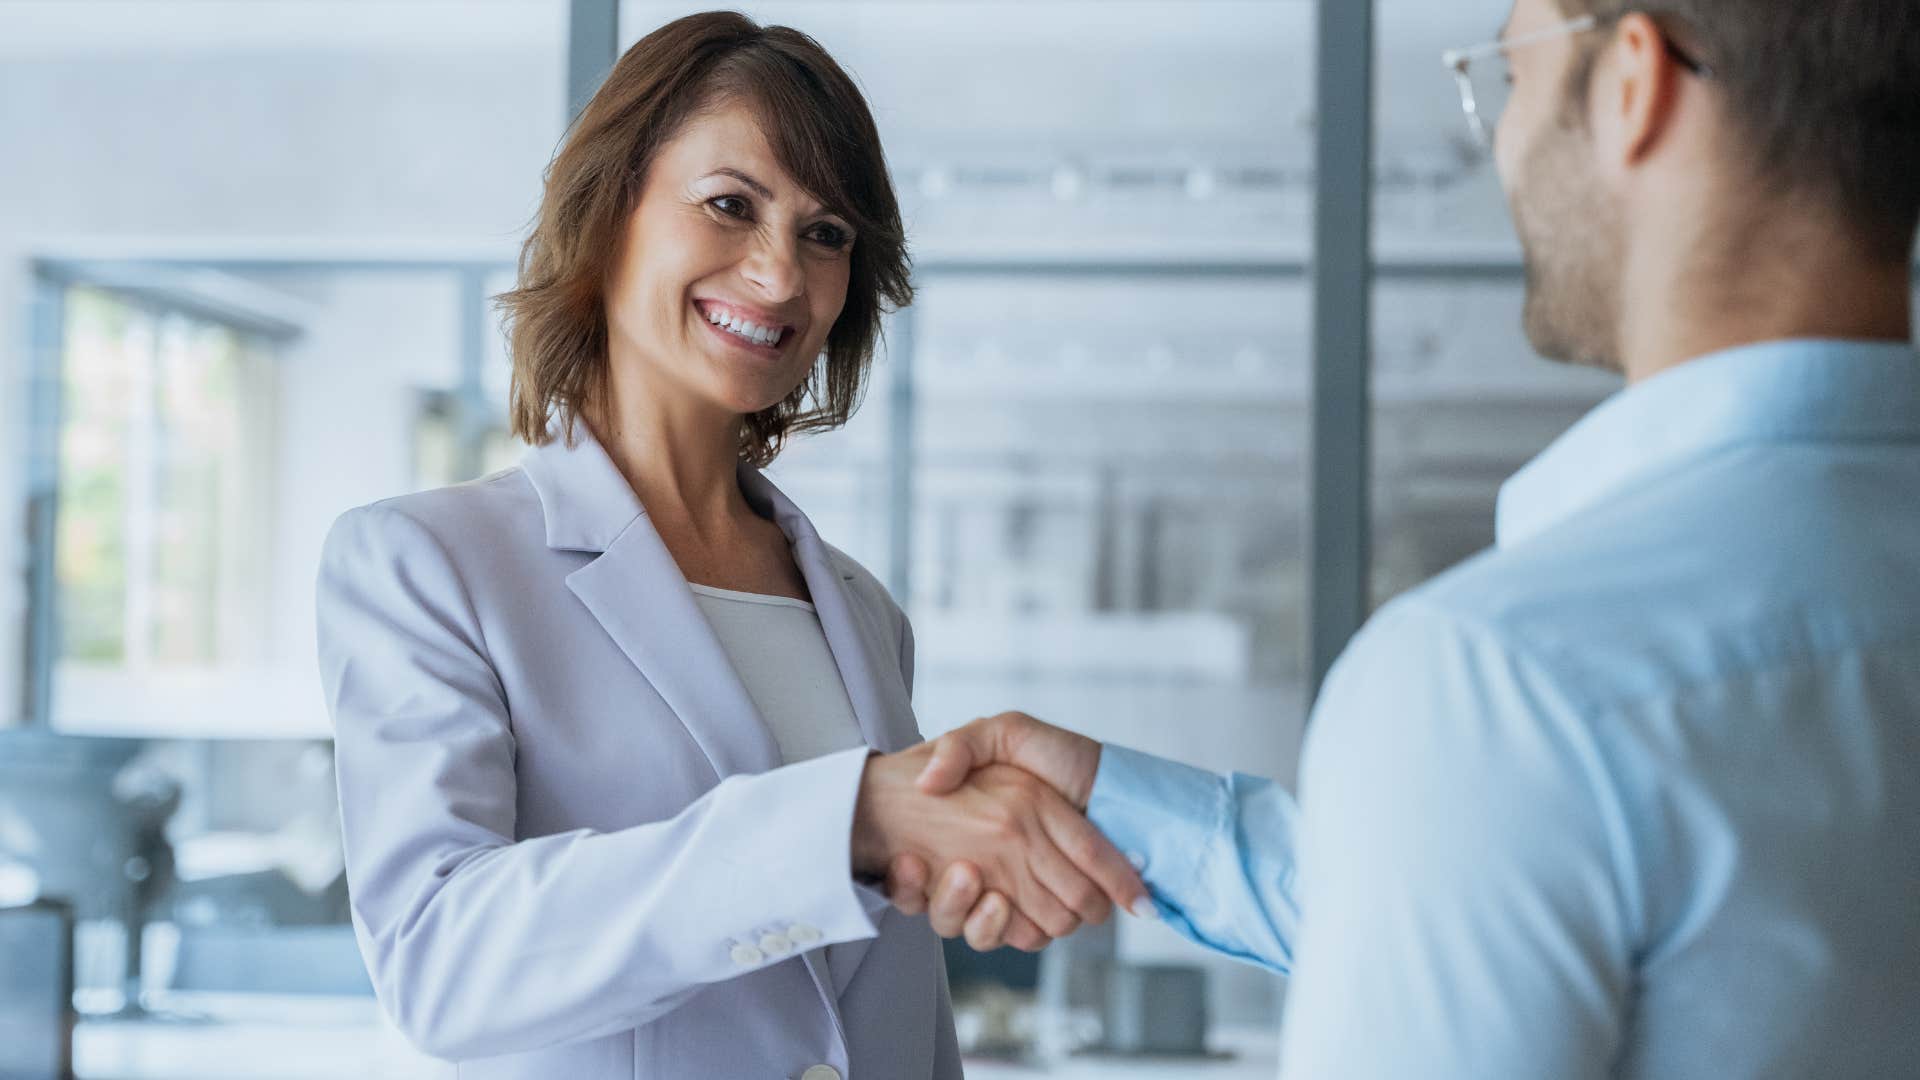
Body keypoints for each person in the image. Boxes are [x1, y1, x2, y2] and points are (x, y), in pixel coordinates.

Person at [891, 1, 1920, 1076]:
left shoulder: (1504, 686)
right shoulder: (1533, 721)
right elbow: (1512, 898)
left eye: (1511, 77)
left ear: (1631, 84)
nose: (1503, 140)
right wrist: (1116, 807)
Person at [315, 13, 1140, 1079]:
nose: (779, 275)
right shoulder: (428, 565)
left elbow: (899, 1010)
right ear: (609, 212)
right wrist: (841, 824)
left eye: (825, 233)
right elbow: (440, 964)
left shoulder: (862, 611)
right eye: (729, 206)